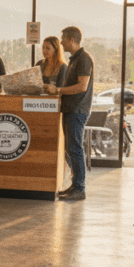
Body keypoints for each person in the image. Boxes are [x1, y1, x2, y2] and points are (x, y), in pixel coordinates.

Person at [44, 26, 94, 201]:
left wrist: (58, 90)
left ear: (71, 40)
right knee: (70, 149)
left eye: (63, 39)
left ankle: (79, 188)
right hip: (70, 109)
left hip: (78, 109)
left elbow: (82, 86)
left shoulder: (84, 59)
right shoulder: (75, 59)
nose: (62, 42)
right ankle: (75, 185)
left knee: (75, 148)